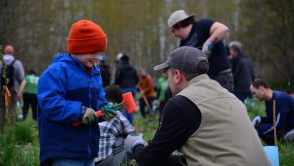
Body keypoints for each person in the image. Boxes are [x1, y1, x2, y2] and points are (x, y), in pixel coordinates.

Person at [124, 46, 270, 166]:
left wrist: (135, 145)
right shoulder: (230, 96)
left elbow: (148, 159)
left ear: (177, 75)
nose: (167, 80)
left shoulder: (181, 103)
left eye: (167, 75)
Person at [37, 20, 116, 166]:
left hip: (88, 149)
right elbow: (49, 102)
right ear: (78, 49)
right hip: (63, 149)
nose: (97, 57)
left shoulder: (94, 72)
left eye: (99, 52)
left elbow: (98, 100)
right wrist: (79, 111)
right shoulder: (57, 71)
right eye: (93, 52)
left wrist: (104, 109)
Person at [167, 10, 234, 93]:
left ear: (179, 25)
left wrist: (209, 43)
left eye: (173, 31)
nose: (174, 35)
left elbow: (223, 29)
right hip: (203, 82)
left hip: (221, 77)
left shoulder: (202, 25)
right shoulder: (183, 44)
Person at [250, 78, 294, 145]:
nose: (254, 96)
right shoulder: (268, 100)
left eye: (254, 93)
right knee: (258, 126)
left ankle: (279, 144)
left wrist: (259, 132)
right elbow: (271, 118)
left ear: (261, 89)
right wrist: (260, 119)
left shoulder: (280, 98)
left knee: (289, 137)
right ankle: (272, 144)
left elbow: (279, 124)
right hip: (284, 128)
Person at [95, 85, 135, 166]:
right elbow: (133, 136)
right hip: (104, 161)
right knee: (124, 138)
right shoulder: (118, 115)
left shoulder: (93, 112)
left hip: (88, 160)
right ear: (117, 102)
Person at [0, 45, 25, 128]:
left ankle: (1, 130)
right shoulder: (17, 63)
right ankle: (11, 130)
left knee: (1, 109)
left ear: (5, 52)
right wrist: (20, 92)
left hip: (1, 89)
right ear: (13, 52)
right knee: (12, 109)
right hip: (12, 90)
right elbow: (22, 80)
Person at [114, 53, 139, 123]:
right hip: (132, 89)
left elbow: (117, 79)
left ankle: (125, 124)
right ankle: (132, 125)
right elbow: (137, 80)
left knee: (123, 108)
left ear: (121, 60)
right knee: (130, 108)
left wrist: (116, 85)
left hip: (124, 89)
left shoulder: (120, 68)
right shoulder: (133, 68)